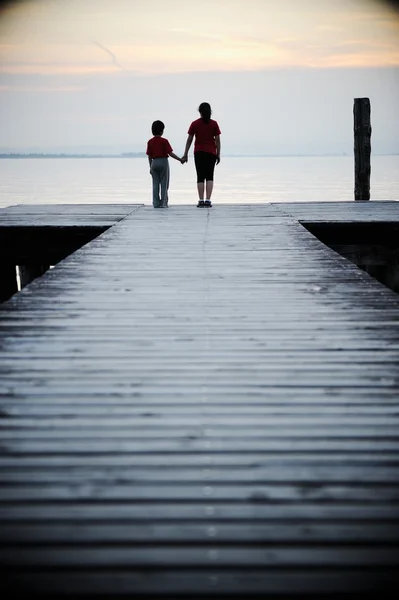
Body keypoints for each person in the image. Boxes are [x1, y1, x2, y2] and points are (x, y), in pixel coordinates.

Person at [182, 102, 221, 208]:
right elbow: (217, 140)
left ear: (200, 111)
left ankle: (201, 200)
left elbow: (189, 139)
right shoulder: (214, 124)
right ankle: (208, 200)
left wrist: (185, 154)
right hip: (211, 153)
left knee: (200, 176)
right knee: (210, 176)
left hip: (199, 153)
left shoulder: (194, 124)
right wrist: (218, 154)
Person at [146, 120, 183, 208]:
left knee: (155, 184)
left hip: (154, 163)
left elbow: (149, 156)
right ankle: (163, 203)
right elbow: (170, 153)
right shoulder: (164, 141)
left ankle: (155, 203)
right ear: (162, 131)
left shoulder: (150, 142)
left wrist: (150, 166)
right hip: (163, 162)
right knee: (164, 183)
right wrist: (180, 159)